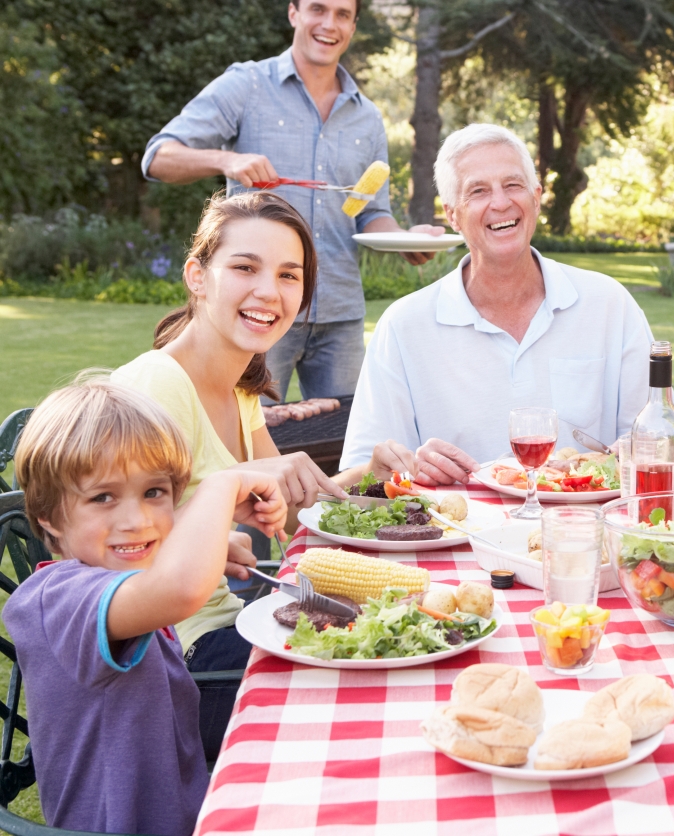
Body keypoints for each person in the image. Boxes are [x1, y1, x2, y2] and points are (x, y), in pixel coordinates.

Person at [113, 190, 346, 760]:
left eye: (289, 276)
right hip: (177, 667)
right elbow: (112, 555)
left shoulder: (241, 389)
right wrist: (217, 518)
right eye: (245, 267)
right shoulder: (156, 386)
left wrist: (373, 477)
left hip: (229, 628)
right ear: (198, 275)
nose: (269, 291)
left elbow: (291, 514)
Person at [4, 377, 286, 835]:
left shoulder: (119, 580)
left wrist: (201, 539)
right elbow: (178, 592)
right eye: (102, 497)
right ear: (49, 517)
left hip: (192, 810)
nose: (136, 521)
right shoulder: (59, 599)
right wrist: (222, 485)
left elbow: (157, 553)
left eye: (154, 492)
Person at [142, 0, 444, 403]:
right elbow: (158, 158)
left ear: (353, 26)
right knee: (246, 442)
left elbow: (370, 212)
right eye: (318, 9)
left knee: (344, 445)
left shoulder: (367, 118)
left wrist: (406, 239)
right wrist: (227, 159)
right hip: (257, 307)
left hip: (339, 314)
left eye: (342, 15)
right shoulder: (247, 85)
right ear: (293, 13)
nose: (328, 24)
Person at [339, 124, 654, 484]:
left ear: (536, 197)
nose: (500, 203)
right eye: (478, 191)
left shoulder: (610, 304)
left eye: (513, 185)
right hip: (454, 535)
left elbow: (655, 439)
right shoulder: (403, 326)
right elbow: (367, 472)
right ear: (453, 214)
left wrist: (609, 460)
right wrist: (407, 466)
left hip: (580, 530)